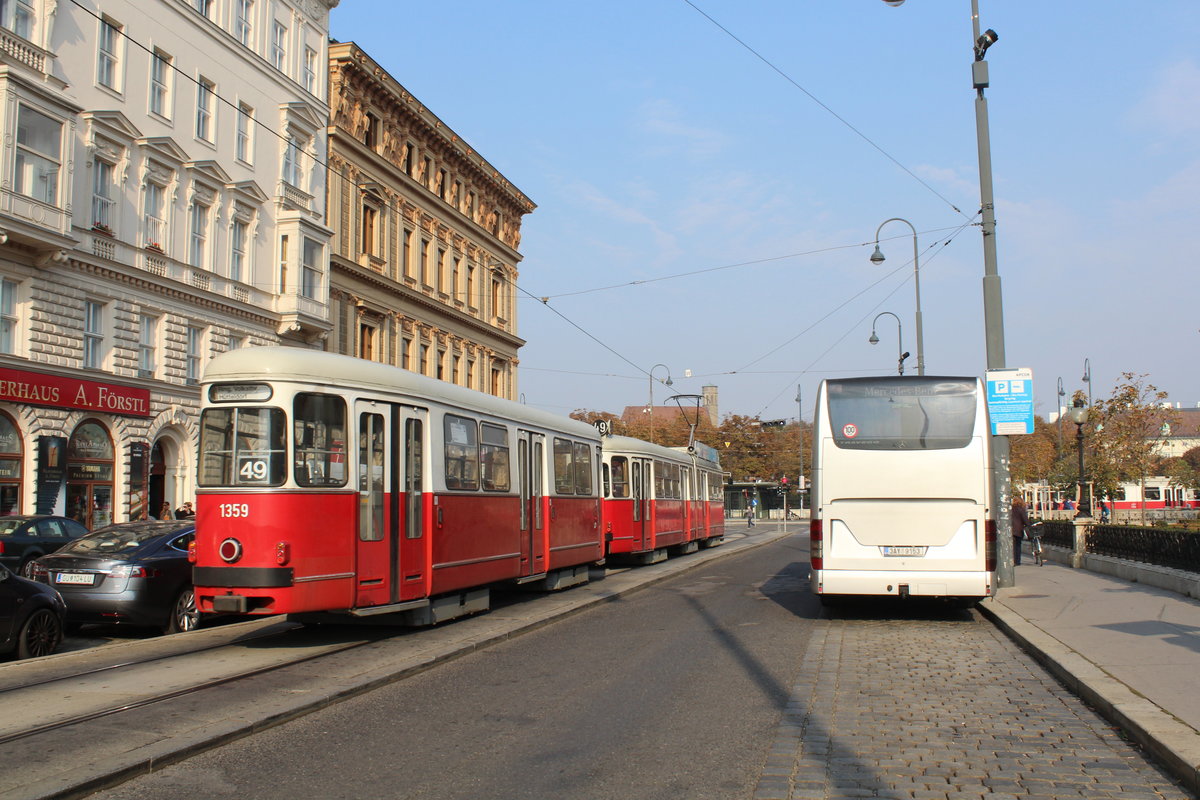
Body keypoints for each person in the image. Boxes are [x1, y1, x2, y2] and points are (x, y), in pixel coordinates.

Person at [1012, 496, 1029, 566]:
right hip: (1018, 530)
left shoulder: (1010, 509)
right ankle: (1017, 561)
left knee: (1012, 546)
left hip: (1010, 529)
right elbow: (1025, 519)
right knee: (1018, 546)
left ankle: (1012, 559)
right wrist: (1028, 525)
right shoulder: (1021, 509)